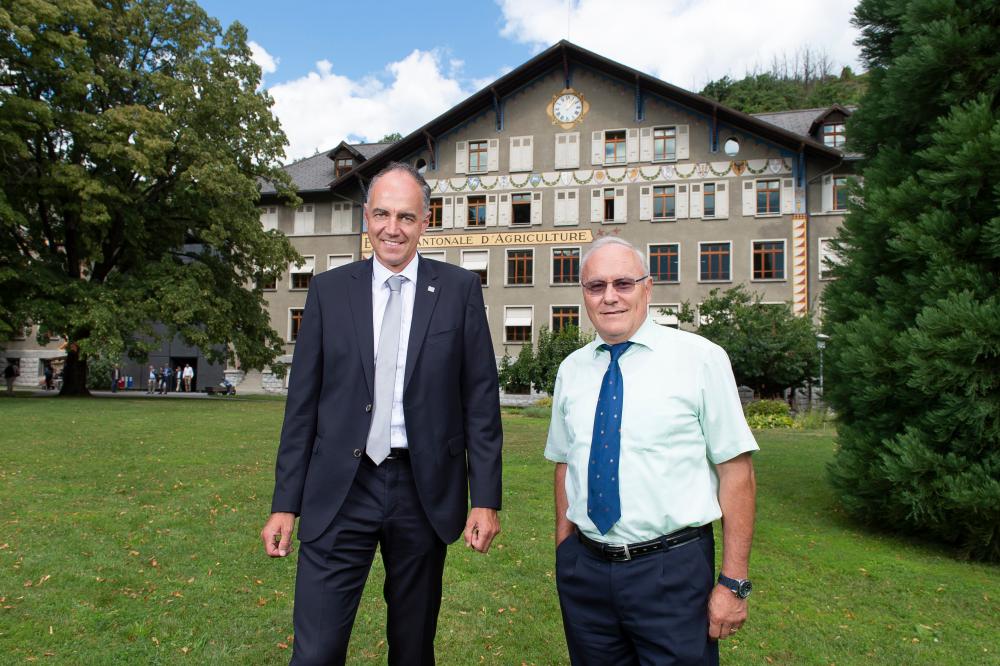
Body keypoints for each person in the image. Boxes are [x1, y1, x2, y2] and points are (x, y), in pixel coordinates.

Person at [261, 162, 503, 665]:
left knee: (412, 649)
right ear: (366, 217)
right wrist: (285, 504)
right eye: (382, 214)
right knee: (316, 652)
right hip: (340, 489)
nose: (393, 228)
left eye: (406, 217)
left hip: (422, 489)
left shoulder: (459, 290)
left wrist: (485, 499)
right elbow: (301, 407)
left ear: (426, 222)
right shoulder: (329, 291)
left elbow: (480, 401)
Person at [545, 237, 758, 666]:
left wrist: (734, 582)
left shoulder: (700, 359)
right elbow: (565, 462)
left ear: (648, 287)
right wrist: (565, 551)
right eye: (596, 286)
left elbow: (737, 471)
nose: (609, 297)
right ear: (584, 293)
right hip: (586, 573)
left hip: (671, 572)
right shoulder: (572, 369)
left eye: (623, 283)